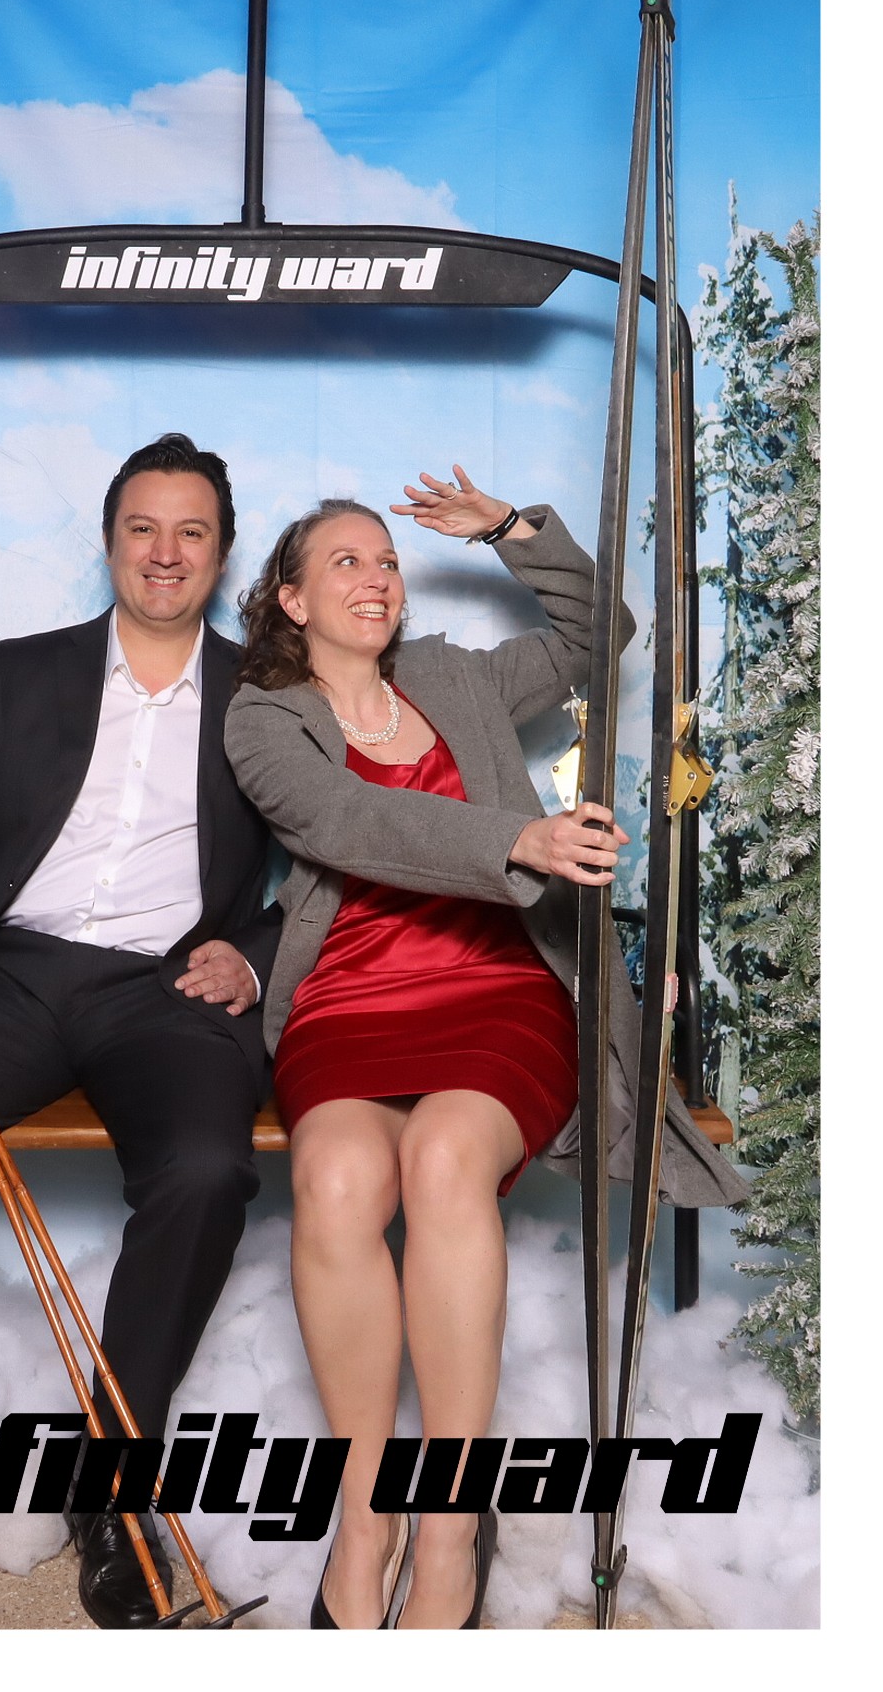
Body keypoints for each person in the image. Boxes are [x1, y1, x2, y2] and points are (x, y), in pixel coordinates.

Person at [224, 467, 746, 1631]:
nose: (377, 576)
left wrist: (511, 529)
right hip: (351, 992)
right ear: (292, 599)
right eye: (345, 561)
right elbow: (346, 819)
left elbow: (600, 632)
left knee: (446, 1158)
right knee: (336, 1176)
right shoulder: (263, 717)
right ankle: (368, 1513)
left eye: (386, 559)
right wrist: (520, 835)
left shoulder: (455, 677)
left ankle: (452, 1522)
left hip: (498, 982)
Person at [0, 433, 281, 1630]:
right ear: (110, 540)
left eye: (190, 531)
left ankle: (111, 1483)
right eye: (142, 527)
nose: (164, 552)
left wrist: (254, 953)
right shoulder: (24, 672)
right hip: (10, 972)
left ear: (221, 550)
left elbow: (328, 869)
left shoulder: (269, 696)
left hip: (166, 987)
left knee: (206, 1167)